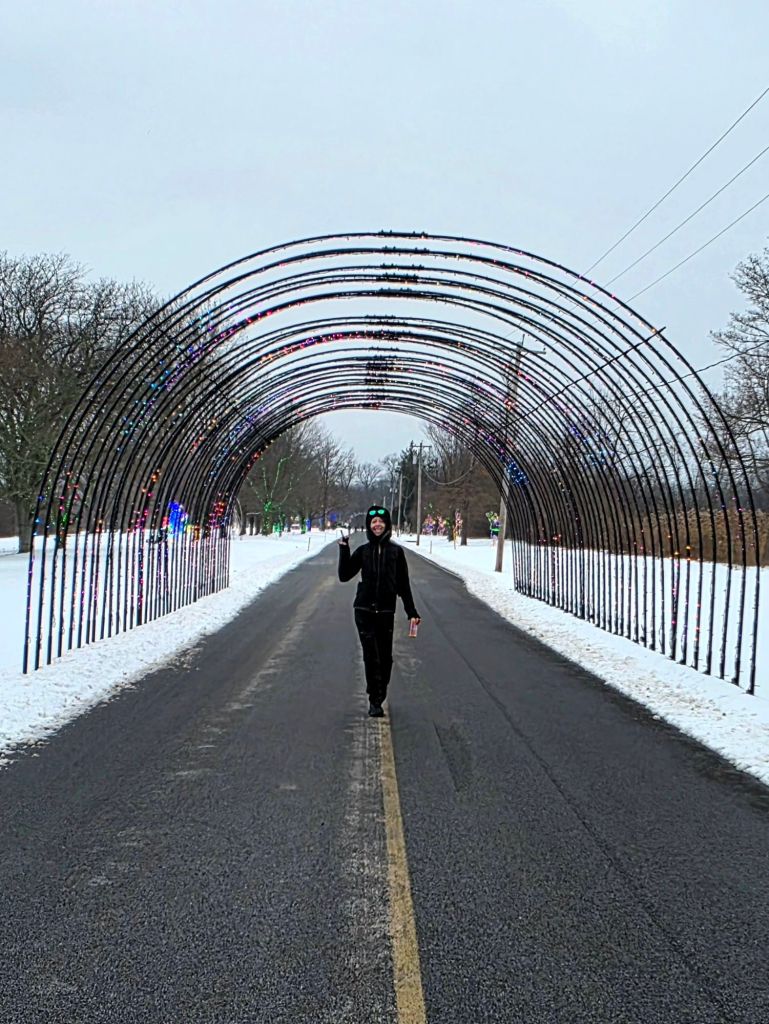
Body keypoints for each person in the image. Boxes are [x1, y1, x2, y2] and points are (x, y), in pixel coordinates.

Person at [338, 505, 420, 717]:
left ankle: (378, 690)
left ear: (387, 525)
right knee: (371, 655)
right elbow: (344, 575)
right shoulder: (363, 551)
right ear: (369, 526)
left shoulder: (396, 552)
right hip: (364, 610)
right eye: (373, 522)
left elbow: (403, 584)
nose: (377, 525)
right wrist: (344, 549)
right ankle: (375, 700)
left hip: (385, 611)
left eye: (380, 522)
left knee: (385, 658)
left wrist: (411, 611)